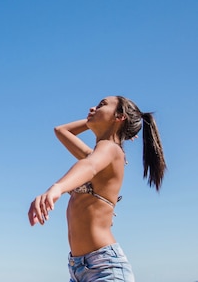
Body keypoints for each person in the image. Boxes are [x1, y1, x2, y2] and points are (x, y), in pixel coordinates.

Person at [27, 96, 167, 282]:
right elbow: (61, 130)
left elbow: (90, 166)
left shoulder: (112, 150)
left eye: (101, 105)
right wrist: (95, 121)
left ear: (120, 116)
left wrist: (57, 188)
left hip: (104, 268)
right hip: (80, 270)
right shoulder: (100, 153)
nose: (92, 107)